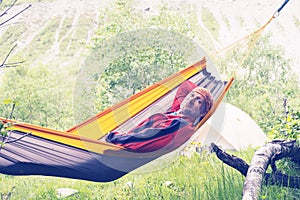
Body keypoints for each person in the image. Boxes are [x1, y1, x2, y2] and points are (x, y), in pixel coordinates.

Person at [106, 80, 213, 153]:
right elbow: (186, 84)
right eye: (191, 95)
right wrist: (201, 90)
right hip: (119, 142)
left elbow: (146, 141)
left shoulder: (182, 126)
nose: (191, 100)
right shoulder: (176, 112)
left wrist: (115, 138)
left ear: (202, 113)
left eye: (198, 101)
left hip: (117, 148)